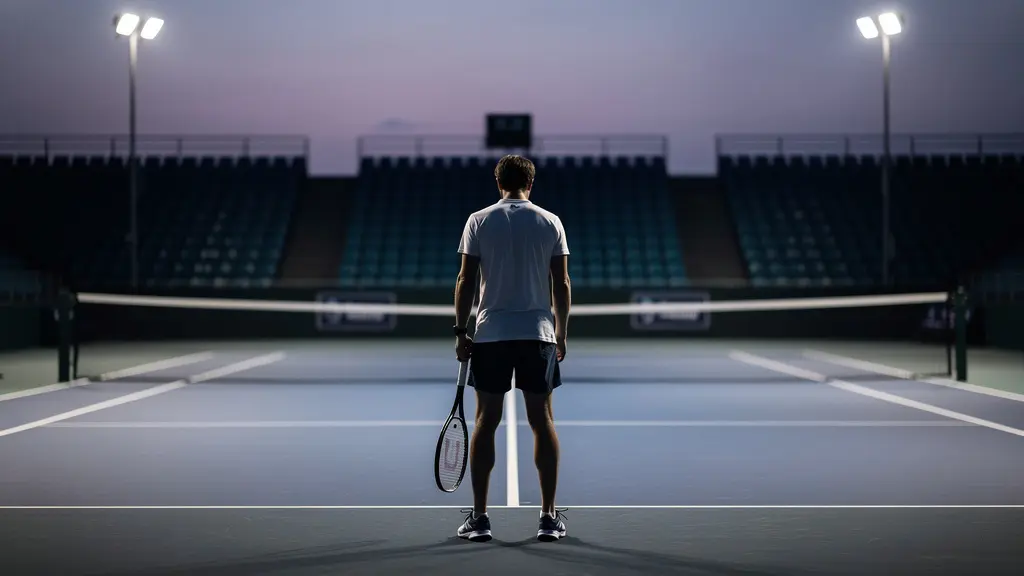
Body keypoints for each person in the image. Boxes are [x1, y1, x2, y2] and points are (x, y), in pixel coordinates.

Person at [452, 154, 571, 543]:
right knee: (543, 422)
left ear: (497, 181)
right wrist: (562, 333)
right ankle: (548, 518)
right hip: (538, 334)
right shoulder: (550, 221)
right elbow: (562, 284)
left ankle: (481, 518)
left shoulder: (478, 220)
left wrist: (460, 331)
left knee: (485, 421)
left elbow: (466, 278)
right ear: (530, 183)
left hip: (491, 335)